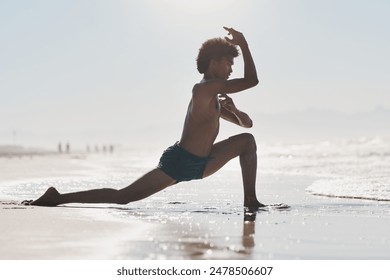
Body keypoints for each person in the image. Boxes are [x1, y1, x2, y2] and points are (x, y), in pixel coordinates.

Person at [22, 27, 264, 209]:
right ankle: (58, 197)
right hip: (181, 163)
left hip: (203, 162)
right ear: (214, 63)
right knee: (123, 197)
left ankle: (250, 201)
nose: (231, 69)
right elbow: (252, 81)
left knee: (247, 140)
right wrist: (243, 42)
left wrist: (233, 109)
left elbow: (247, 125)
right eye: (229, 63)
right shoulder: (202, 90)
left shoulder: (214, 96)